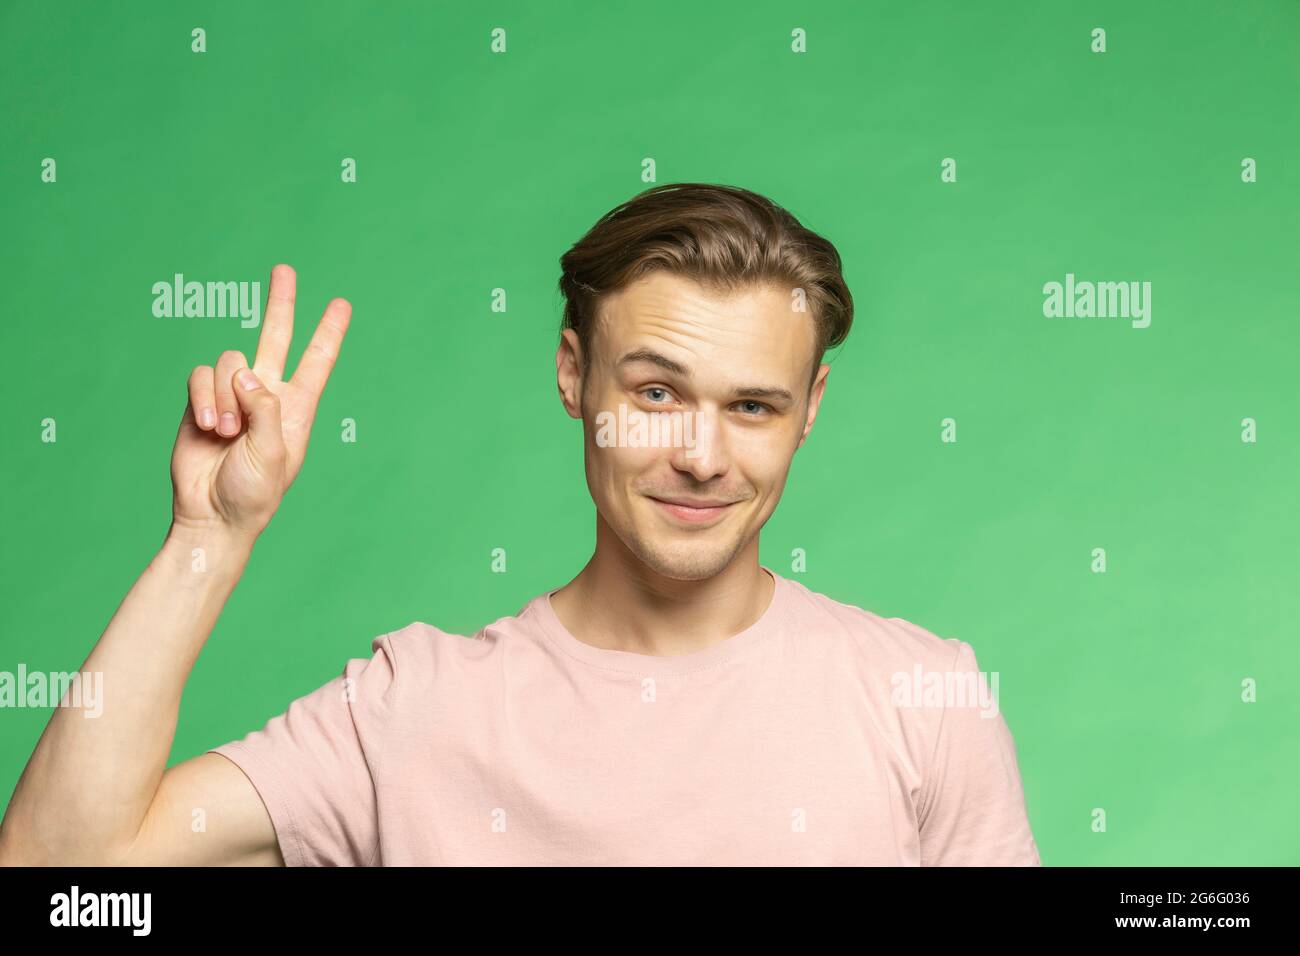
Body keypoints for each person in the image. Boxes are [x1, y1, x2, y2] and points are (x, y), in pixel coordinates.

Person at [0, 183, 1040, 866]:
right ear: (572, 372)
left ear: (809, 409)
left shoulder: (923, 699)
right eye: (657, 392)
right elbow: (60, 878)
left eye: (752, 406)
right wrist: (208, 538)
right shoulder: (412, 710)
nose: (703, 454)